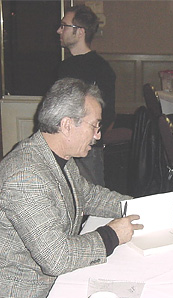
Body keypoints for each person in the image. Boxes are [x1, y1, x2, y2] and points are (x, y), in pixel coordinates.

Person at [0, 78, 173, 298]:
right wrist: (111, 235)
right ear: (66, 125)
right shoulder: (24, 177)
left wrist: (146, 209)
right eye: (94, 126)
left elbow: (90, 196)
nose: (98, 135)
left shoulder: (56, 155)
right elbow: (57, 258)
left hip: (49, 284)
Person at [57, 5, 116, 186]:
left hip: (86, 150)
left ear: (80, 32)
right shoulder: (63, 68)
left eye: (64, 26)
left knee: (92, 203)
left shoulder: (101, 69)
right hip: (60, 146)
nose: (59, 30)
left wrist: (88, 142)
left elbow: (108, 114)